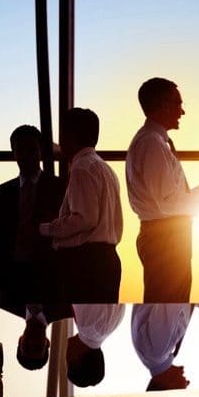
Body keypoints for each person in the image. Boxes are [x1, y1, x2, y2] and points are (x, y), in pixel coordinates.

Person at [125, 78, 199, 303]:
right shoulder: (152, 144)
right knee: (169, 303)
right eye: (177, 104)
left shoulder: (153, 141)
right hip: (165, 239)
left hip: (165, 235)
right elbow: (168, 204)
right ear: (163, 105)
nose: (182, 111)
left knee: (170, 302)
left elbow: (168, 198)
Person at [40, 108, 123, 303]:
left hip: (85, 263)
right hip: (106, 260)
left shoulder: (81, 168)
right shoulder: (104, 168)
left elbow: (84, 220)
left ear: (70, 135)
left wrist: (46, 228)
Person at [0, 125, 65, 309]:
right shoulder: (2, 193)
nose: (26, 155)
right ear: (14, 153)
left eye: (31, 149)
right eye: (20, 150)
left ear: (41, 152)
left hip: (47, 273)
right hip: (11, 274)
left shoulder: (59, 188)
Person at [66, 304, 126, 388]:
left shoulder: (116, 322)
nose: (66, 356)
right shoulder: (86, 325)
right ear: (76, 360)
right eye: (68, 361)